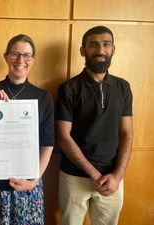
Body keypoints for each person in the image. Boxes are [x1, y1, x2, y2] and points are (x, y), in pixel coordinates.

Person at [0, 34, 54, 225]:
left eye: (27, 55)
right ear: (6, 57)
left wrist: (34, 180)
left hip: (26, 189)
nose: (20, 60)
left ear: (33, 60)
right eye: (15, 54)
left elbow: (47, 145)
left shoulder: (42, 97)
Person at [56, 26, 133, 225]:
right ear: (83, 51)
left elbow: (127, 133)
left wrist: (117, 175)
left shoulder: (123, 87)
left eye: (106, 44)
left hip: (112, 177)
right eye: (93, 45)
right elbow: (64, 137)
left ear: (113, 49)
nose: (100, 50)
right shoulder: (68, 89)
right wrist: (95, 174)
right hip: (74, 177)